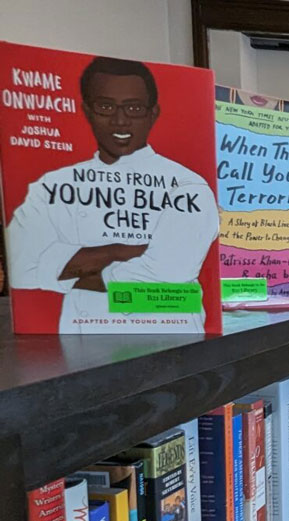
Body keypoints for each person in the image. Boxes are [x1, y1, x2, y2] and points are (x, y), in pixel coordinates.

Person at [6, 56, 218, 332]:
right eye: (105, 106)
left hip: (168, 343)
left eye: (134, 107)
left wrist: (61, 265)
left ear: (152, 113)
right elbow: (19, 267)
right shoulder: (54, 185)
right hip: (78, 350)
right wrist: (117, 251)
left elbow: (167, 273)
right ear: (87, 110)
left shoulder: (189, 187)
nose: (120, 120)